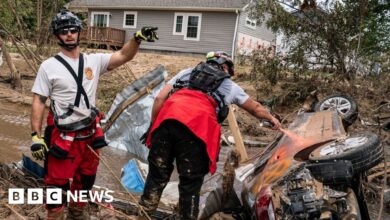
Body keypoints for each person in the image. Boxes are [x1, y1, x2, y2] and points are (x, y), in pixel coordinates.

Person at [29, 9, 158, 219]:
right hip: (62, 134)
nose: (69, 34)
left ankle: (77, 211)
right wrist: (35, 136)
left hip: (89, 133)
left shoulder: (94, 61)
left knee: (86, 177)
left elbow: (124, 55)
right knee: (56, 182)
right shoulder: (48, 66)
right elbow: (39, 101)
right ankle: (55, 215)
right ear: (57, 36)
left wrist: (137, 38)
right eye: (64, 31)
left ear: (79, 32)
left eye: (73, 30)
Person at [139, 51, 281, 219]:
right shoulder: (229, 85)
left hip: (166, 122)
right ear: (226, 67)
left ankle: (143, 215)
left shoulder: (186, 72)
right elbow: (255, 108)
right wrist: (272, 119)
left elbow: (159, 98)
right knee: (190, 185)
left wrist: (153, 126)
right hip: (197, 130)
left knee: (156, 177)